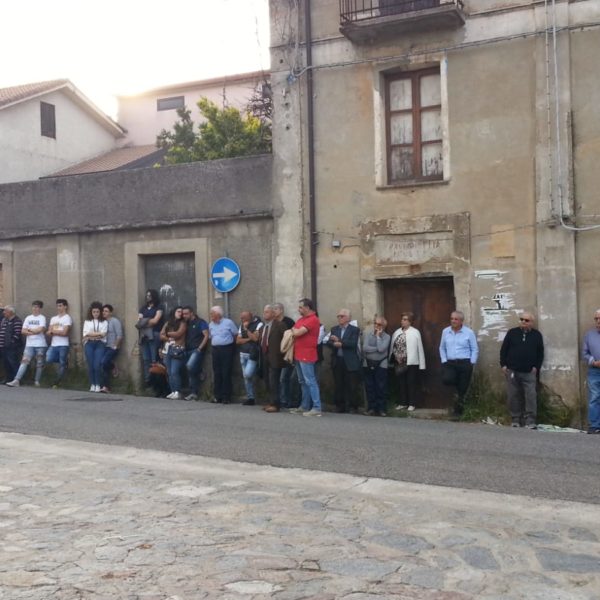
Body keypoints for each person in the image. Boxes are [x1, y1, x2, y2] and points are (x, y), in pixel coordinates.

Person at [500, 311, 544, 429]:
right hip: (512, 370)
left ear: (532, 323)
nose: (523, 322)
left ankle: (530, 420)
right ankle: (515, 418)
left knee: (530, 396)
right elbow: (504, 349)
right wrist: (503, 365)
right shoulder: (512, 333)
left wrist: (536, 367)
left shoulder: (536, 335)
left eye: (526, 320)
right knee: (513, 395)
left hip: (529, 371)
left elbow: (540, 353)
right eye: (521, 319)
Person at [439, 310, 479, 419]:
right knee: (447, 380)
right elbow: (442, 347)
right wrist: (444, 360)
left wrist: (472, 362)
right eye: (452, 318)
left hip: (464, 363)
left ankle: (457, 413)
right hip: (450, 363)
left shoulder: (468, 332)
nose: (453, 321)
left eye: (456, 319)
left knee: (462, 390)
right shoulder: (445, 331)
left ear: (461, 321)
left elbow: (474, 349)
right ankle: (457, 390)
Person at [290, 298, 322, 417]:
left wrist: (295, 330)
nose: (299, 309)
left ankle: (317, 407)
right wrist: (295, 330)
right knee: (302, 381)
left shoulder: (313, 319)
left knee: (310, 381)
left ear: (307, 308)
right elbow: (294, 329)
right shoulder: (301, 319)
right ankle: (304, 406)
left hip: (307, 354)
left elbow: (297, 332)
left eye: (300, 307)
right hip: (298, 353)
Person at [327, 308, 361, 413]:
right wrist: (334, 344)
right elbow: (328, 342)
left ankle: (353, 406)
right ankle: (339, 406)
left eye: (342, 316)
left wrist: (340, 342)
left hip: (350, 361)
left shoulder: (354, 330)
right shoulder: (334, 329)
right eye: (338, 316)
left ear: (348, 318)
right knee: (338, 384)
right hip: (338, 360)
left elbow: (353, 343)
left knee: (352, 385)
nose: (339, 318)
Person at [390, 312, 426, 411]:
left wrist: (422, 364)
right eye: (402, 319)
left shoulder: (415, 332)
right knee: (401, 383)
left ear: (410, 321)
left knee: (411, 383)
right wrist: (395, 357)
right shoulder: (397, 332)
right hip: (399, 362)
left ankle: (412, 403)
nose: (403, 321)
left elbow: (420, 348)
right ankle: (402, 403)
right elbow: (393, 347)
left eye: (405, 319)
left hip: (411, 362)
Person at [7, 301, 47, 388]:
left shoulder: (42, 318)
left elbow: (40, 329)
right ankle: (16, 380)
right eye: (33, 307)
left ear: (40, 308)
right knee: (24, 362)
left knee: (39, 363)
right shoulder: (28, 318)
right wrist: (33, 331)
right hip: (29, 344)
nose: (35, 309)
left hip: (40, 344)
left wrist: (29, 330)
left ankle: (37, 381)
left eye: (37, 307)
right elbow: (23, 331)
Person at [259, 304, 287, 413]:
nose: (264, 313)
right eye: (264, 311)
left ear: (273, 314)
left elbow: (286, 340)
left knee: (274, 381)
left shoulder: (280, 325)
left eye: (267, 312)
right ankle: (270, 401)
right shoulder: (262, 328)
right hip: (264, 357)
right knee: (267, 380)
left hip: (276, 357)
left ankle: (276, 404)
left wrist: (283, 354)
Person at [208, 306, 238, 404]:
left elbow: (235, 334)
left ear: (218, 314)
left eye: (212, 313)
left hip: (226, 349)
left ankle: (226, 396)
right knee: (217, 372)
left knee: (226, 372)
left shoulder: (228, 322)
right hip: (215, 349)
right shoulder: (211, 324)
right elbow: (210, 336)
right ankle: (217, 396)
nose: (211, 315)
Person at [362, 316, 391, 417]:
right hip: (368, 362)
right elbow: (365, 348)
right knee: (369, 386)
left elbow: (382, 349)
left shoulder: (387, 337)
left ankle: (382, 409)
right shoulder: (368, 334)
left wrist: (378, 337)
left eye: (379, 324)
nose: (376, 326)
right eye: (375, 323)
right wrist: (377, 348)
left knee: (381, 386)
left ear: (383, 326)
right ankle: (371, 408)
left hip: (381, 363)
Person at [137, 289, 164, 387]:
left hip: (155, 334)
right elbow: (139, 321)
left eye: (150, 295)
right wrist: (148, 321)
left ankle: (156, 382)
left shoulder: (159, 307)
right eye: (147, 295)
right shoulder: (143, 308)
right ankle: (148, 381)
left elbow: (156, 321)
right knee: (146, 359)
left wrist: (145, 321)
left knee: (154, 359)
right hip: (144, 335)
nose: (148, 297)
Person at [235, 310, 263, 406]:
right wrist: (248, 339)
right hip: (243, 353)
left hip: (252, 353)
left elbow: (256, 339)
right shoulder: (241, 325)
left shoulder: (258, 324)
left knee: (247, 374)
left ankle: (259, 371)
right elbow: (238, 341)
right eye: (241, 318)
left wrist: (247, 330)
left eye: (244, 318)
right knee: (246, 378)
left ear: (249, 317)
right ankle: (250, 397)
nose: (242, 320)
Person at [182, 306, 209, 401]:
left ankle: (194, 389)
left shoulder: (201, 322)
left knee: (189, 366)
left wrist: (200, 348)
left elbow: (206, 335)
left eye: (186, 314)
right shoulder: (186, 324)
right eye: (183, 314)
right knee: (191, 371)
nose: (184, 316)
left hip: (196, 350)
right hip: (187, 350)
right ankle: (194, 392)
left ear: (192, 313)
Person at [160, 306, 187, 400]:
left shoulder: (183, 323)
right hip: (168, 349)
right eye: (178, 311)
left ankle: (178, 391)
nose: (180, 313)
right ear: (174, 312)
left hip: (177, 349)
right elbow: (161, 335)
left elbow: (179, 333)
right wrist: (168, 338)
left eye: (181, 312)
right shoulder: (168, 323)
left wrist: (168, 334)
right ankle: (173, 391)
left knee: (174, 371)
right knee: (169, 372)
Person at [46, 299, 72, 388]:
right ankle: (65, 364)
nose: (59, 307)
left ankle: (57, 382)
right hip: (54, 344)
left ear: (65, 306)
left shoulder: (67, 318)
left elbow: (65, 333)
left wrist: (53, 331)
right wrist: (56, 331)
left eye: (61, 305)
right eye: (58, 306)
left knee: (61, 363)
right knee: (49, 358)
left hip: (63, 344)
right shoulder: (54, 318)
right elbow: (48, 332)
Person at [272, 303, 295, 409]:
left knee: (284, 378)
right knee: (279, 379)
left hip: (287, 354)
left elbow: (292, 337)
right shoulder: (273, 323)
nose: (274, 311)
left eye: (275, 309)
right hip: (277, 356)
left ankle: (286, 400)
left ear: (281, 310)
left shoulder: (289, 322)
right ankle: (280, 400)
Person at [82, 301, 108, 393]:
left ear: (100, 312)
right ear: (91, 312)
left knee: (97, 365)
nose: (95, 314)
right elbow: (86, 333)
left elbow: (103, 335)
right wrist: (96, 334)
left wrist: (91, 335)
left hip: (99, 344)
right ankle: (92, 384)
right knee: (91, 365)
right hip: (89, 344)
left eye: (97, 312)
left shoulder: (104, 322)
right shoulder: (87, 321)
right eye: (94, 312)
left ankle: (98, 384)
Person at [582, 309, 600, 434]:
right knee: (594, 397)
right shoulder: (589, 335)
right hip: (594, 371)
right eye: (596, 319)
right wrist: (593, 361)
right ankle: (594, 426)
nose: (598, 321)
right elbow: (584, 353)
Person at [99, 304, 123, 393]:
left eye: (106, 311)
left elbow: (119, 335)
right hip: (104, 346)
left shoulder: (114, 321)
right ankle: (104, 386)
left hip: (112, 347)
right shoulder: (102, 322)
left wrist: (115, 346)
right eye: (103, 311)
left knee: (104, 362)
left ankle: (107, 386)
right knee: (102, 365)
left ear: (110, 312)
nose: (104, 313)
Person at [0, 306, 24, 384]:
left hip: (12, 346)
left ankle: (16, 379)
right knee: (5, 363)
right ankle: (8, 378)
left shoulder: (17, 320)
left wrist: (11, 342)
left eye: (5, 311)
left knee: (13, 362)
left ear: (10, 312)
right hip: (3, 345)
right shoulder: (4, 320)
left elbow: (17, 334)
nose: (4, 313)